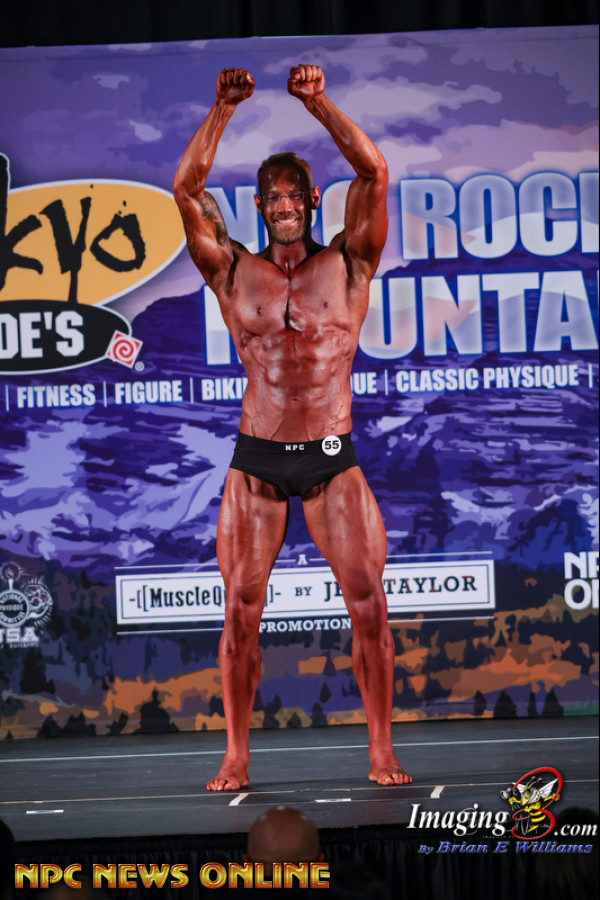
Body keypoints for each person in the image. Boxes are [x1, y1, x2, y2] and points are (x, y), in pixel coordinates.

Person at [173, 64, 411, 791]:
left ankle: (381, 752)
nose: (282, 205)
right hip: (257, 463)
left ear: (312, 200)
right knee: (240, 614)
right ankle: (236, 756)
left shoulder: (350, 262)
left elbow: (374, 171)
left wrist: (318, 103)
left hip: (333, 460)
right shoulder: (230, 272)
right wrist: (221, 108)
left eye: (292, 194)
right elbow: (186, 189)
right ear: (258, 205)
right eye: (271, 196)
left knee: (369, 606)